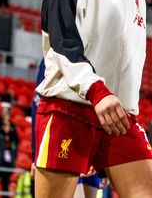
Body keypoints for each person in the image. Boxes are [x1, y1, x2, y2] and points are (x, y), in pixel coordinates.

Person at [34, 0, 152, 198]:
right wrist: (96, 91)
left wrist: (127, 107)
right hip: (70, 110)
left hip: (119, 117)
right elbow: (63, 43)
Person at [32, 59, 104, 198]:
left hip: (92, 133)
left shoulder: (99, 53)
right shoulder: (56, 52)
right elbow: (38, 103)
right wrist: (35, 154)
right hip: (67, 129)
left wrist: (102, 162)